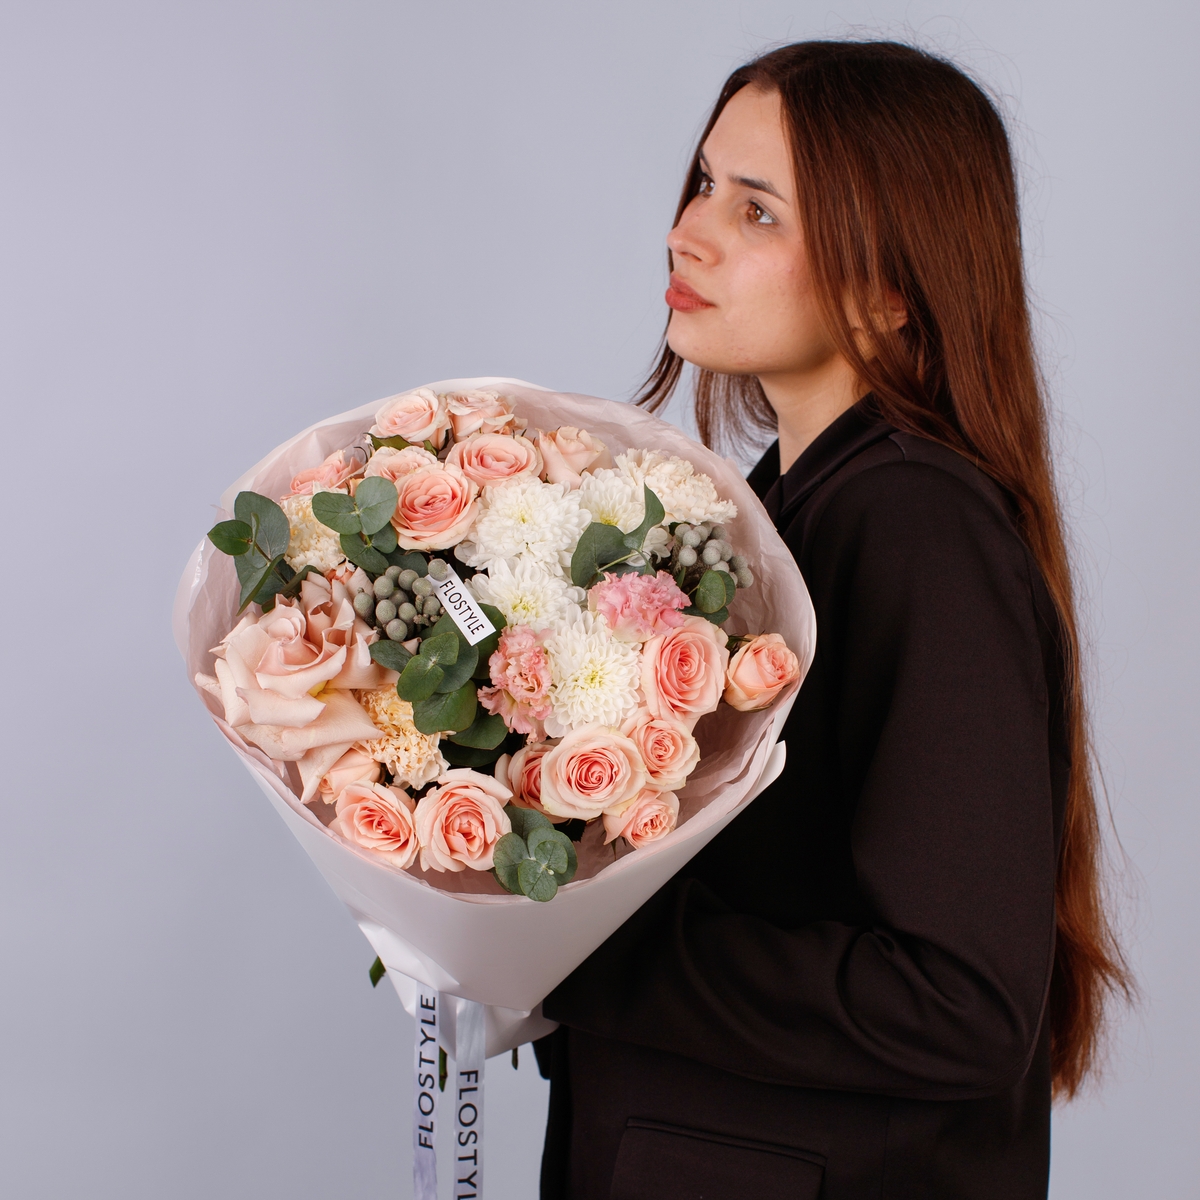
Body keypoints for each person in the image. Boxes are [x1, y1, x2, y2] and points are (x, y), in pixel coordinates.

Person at [533, 40, 1130, 1200]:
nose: (688, 233)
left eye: (757, 211)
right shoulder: (781, 511)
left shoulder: (916, 527)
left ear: (890, 288)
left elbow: (961, 1004)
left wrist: (579, 952)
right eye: (704, 184)